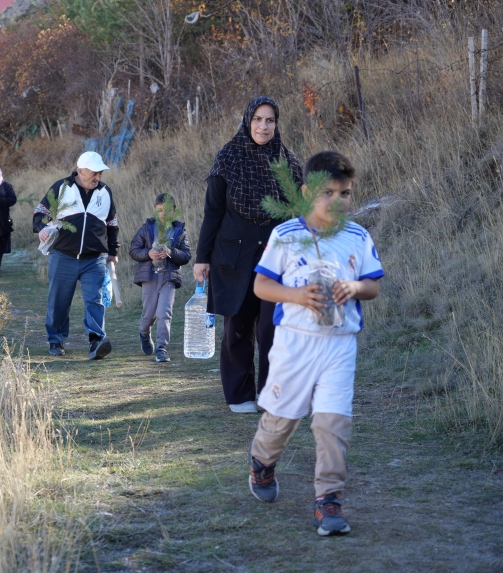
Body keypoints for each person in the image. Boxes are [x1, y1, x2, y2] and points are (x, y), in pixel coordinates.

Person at [246, 151, 384, 536]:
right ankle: (261, 461)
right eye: (329, 193)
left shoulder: (358, 236)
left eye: (346, 193)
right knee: (282, 420)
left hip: (340, 345)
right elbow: (261, 286)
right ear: (306, 192)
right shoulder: (286, 235)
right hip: (295, 345)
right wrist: (297, 296)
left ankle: (329, 501)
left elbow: (372, 285)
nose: (338, 201)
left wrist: (355, 287)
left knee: (331, 423)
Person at [194, 96, 303, 414]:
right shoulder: (228, 157)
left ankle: (273, 394)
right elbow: (212, 212)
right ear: (247, 120)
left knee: (273, 327)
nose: (263, 126)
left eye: (270, 120)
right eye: (257, 119)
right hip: (233, 256)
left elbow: (300, 213)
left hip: (275, 258)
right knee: (237, 326)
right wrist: (202, 258)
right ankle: (239, 395)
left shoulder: (288, 162)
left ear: (276, 124)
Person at [33, 151, 119, 360]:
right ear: (80, 171)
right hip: (63, 256)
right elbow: (40, 212)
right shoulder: (61, 188)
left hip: (95, 259)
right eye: (93, 172)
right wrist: (42, 228)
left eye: (100, 172)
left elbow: (112, 225)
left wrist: (113, 251)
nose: (97, 176)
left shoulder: (105, 192)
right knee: (59, 301)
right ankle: (56, 339)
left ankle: (96, 341)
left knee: (95, 300)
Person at [128, 193, 192, 363]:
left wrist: (171, 252)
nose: (163, 214)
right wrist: (148, 253)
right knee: (149, 315)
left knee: (164, 313)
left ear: (174, 211)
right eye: (159, 210)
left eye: (167, 210)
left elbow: (186, 255)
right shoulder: (146, 229)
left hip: (168, 278)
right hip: (149, 277)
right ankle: (144, 333)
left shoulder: (180, 232)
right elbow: (134, 250)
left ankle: (161, 348)